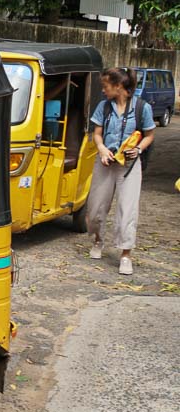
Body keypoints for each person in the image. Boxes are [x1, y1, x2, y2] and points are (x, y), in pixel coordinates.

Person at [87, 67, 155, 275]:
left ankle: (126, 254)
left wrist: (139, 148)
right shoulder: (104, 106)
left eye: (105, 86)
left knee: (127, 210)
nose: (103, 90)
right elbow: (97, 134)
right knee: (95, 208)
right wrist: (101, 149)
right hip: (106, 162)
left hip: (129, 166)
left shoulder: (142, 107)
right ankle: (98, 240)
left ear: (118, 86)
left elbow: (149, 135)